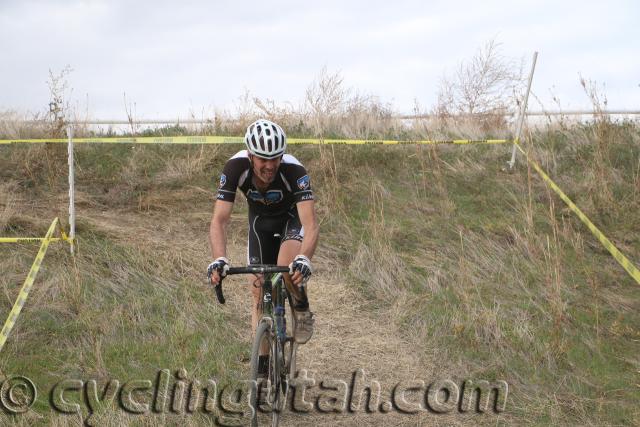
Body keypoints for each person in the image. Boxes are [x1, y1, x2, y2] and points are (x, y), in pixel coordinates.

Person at [207, 119, 318, 358]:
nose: (270, 165)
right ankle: (264, 367)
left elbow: (310, 224)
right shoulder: (235, 168)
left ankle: (301, 306)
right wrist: (219, 259)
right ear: (250, 155)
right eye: (262, 159)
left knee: (289, 269)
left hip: (291, 220)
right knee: (258, 292)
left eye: (275, 158)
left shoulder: (295, 171)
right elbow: (219, 220)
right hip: (260, 224)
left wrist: (304, 258)